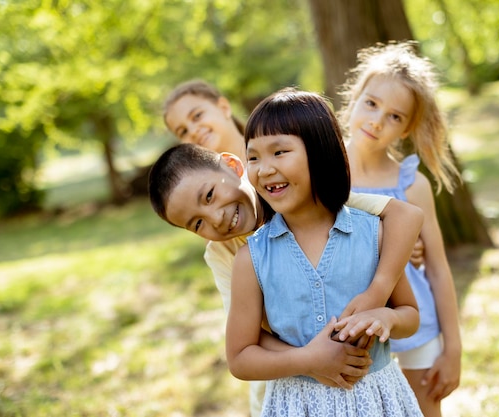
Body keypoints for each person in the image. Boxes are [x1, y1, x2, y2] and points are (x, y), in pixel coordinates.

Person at [157, 79, 425, 415]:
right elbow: (245, 343)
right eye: (196, 223)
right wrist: (311, 360)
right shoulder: (238, 257)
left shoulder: (354, 221)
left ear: (233, 167)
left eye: (209, 196)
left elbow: (404, 218)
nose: (216, 219)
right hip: (289, 387)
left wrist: (379, 293)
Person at [337, 41, 462, 417]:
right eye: (372, 104)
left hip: (415, 323)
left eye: (394, 116)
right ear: (355, 97)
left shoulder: (412, 185)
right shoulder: (325, 169)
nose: (376, 121)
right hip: (347, 324)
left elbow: (437, 268)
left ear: (407, 126)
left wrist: (453, 348)